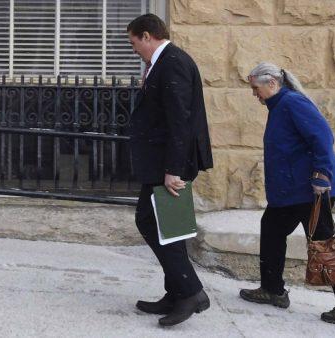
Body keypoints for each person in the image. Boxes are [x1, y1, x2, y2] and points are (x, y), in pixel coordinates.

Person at [239, 62, 335, 325]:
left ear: (272, 83)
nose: (254, 94)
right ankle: (272, 290)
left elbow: (322, 136)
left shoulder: (292, 103)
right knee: (272, 230)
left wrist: (322, 173)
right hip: (290, 192)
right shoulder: (278, 106)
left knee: (323, 245)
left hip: (311, 191)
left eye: (256, 88)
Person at [125, 14, 213, 327]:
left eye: (134, 43)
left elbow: (180, 121)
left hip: (171, 164)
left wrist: (173, 169)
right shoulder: (165, 62)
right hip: (163, 162)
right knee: (163, 226)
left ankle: (190, 292)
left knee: (156, 223)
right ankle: (177, 291)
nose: (134, 49)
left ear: (147, 36)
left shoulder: (172, 62)